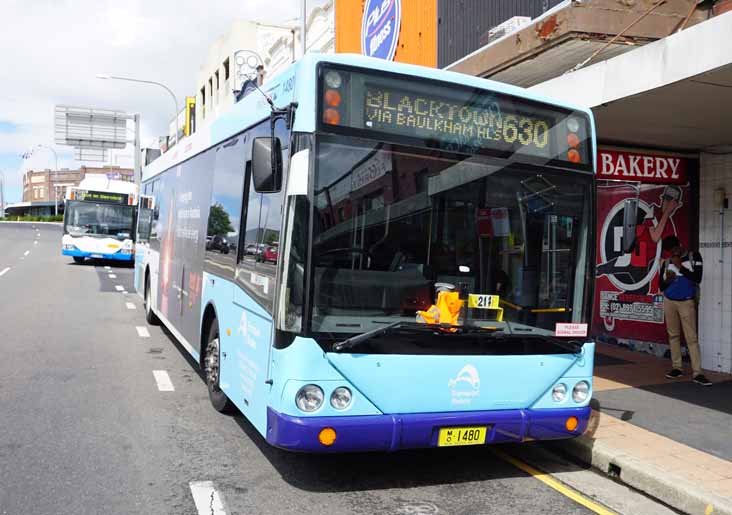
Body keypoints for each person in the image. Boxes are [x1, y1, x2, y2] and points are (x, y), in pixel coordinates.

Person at [659, 235, 711, 386]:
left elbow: (698, 278)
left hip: (686, 302)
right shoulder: (667, 262)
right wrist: (667, 280)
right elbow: (661, 286)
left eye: (675, 250)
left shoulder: (694, 256)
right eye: (670, 252)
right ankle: (677, 367)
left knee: (691, 338)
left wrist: (680, 266)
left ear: (680, 245)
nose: (673, 254)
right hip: (669, 302)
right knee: (673, 335)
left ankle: (698, 373)